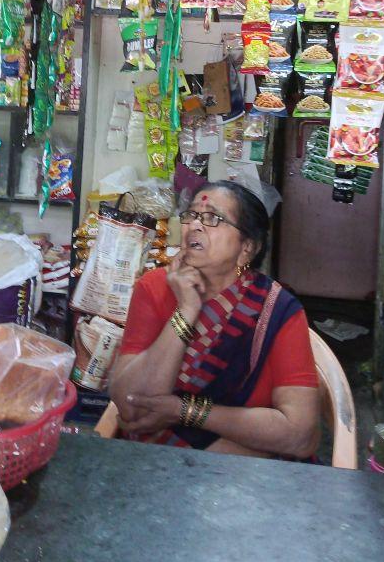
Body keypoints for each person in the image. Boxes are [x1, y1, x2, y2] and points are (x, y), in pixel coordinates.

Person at [110, 181, 320, 458]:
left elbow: (300, 435)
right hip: (158, 461)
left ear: (247, 248)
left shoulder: (277, 310)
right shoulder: (155, 287)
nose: (195, 226)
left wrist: (184, 411)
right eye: (191, 215)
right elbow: (132, 405)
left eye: (212, 218)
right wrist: (186, 309)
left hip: (243, 471)